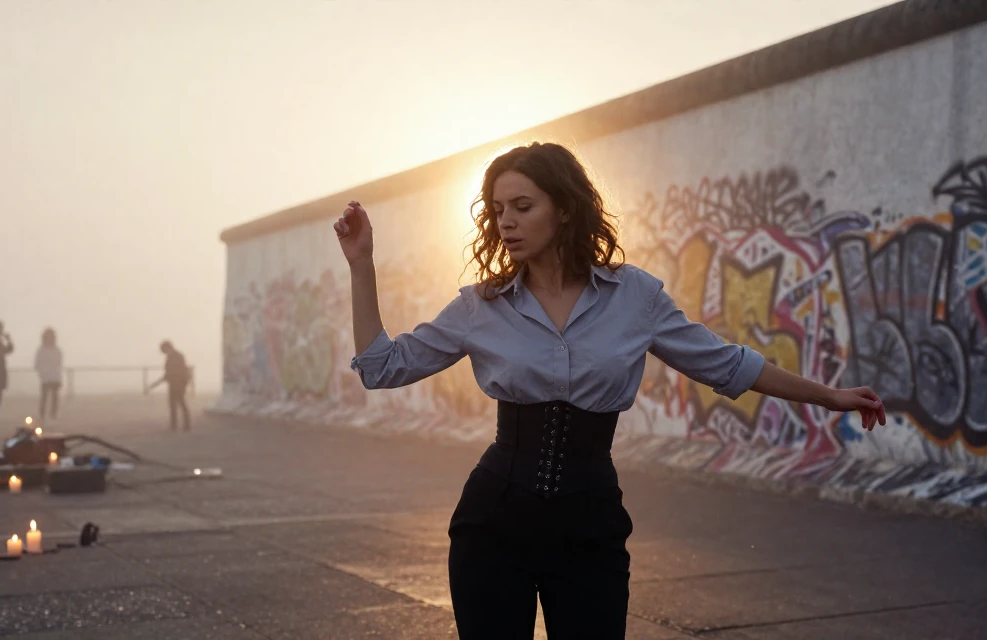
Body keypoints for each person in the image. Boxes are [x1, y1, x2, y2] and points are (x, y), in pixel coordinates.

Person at [335, 142, 887, 640]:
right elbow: (383, 368)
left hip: (589, 523)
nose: (506, 222)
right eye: (498, 210)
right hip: (493, 524)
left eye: (523, 207)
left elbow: (725, 364)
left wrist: (830, 397)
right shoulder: (482, 305)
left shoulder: (634, 297)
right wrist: (362, 266)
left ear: (566, 208)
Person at [147, 340, 191, 432]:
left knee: (180, 403)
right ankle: (176, 425)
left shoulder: (176, 356)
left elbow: (173, 372)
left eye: (162, 350)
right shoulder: (174, 356)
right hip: (175, 383)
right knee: (175, 404)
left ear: (167, 348)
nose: (162, 352)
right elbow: (170, 373)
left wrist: (156, 383)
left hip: (178, 383)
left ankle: (183, 425)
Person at [34, 327, 63, 421]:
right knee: (45, 397)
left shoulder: (57, 350)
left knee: (54, 397)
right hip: (46, 377)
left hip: (54, 377)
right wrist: (42, 373)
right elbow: (37, 364)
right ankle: (43, 415)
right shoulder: (41, 350)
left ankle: (53, 414)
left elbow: (59, 363)